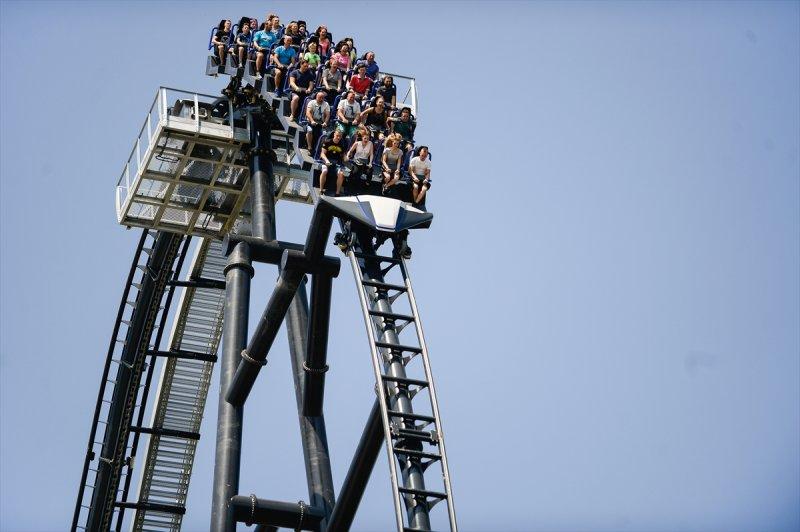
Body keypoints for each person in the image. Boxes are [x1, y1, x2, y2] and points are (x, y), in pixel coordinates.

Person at [320, 130, 347, 196]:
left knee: (341, 174)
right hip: (326, 161)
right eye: (337, 136)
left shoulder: (342, 144)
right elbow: (322, 154)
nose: (338, 137)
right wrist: (326, 160)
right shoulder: (327, 142)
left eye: (340, 136)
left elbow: (343, 155)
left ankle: (337, 193)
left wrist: (345, 157)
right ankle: (321, 190)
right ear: (334, 134)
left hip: (336, 163)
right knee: (324, 171)